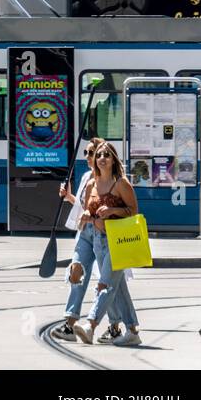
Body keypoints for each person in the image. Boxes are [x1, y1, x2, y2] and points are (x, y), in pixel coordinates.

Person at [65, 141, 142, 346]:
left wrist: (112, 210)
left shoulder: (121, 183)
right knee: (118, 288)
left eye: (106, 155)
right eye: (99, 155)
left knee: (104, 284)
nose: (101, 158)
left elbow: (133, 210)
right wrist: (89, 214)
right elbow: (89, 208)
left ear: (113, 159)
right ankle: (132, 330)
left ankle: (91, 325)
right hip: (98, 240)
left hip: (118, 241)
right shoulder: (92, 183)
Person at [54, 140, 123, 343]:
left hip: (103, 233)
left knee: (107, 282)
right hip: (85, 232)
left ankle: (115, 326)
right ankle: (70, 323)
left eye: (92, 152)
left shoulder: (114, 180)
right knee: (76, 272)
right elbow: (84, 205)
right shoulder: (86, 177)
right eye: (87, 152)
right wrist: (69, 197)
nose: (88, 156)